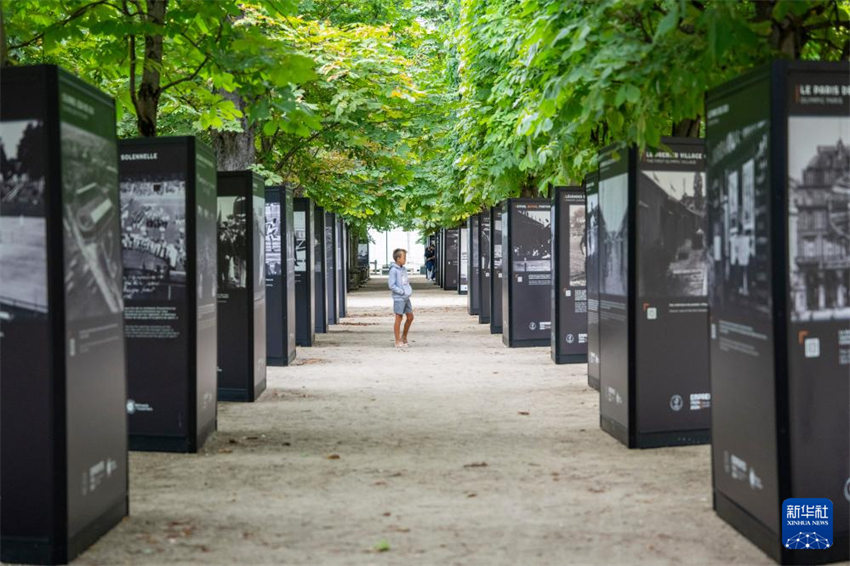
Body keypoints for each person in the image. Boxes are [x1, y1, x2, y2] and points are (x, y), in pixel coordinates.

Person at [388, 248, 414, 349]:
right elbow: (391, 285)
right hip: (399, 298)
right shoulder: (393, 270)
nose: (405, 259)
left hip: (406, 297)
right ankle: (397, 341)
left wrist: (408, 290)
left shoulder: (403, 269)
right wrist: (401, 292)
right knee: (398, 318)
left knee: (410, 317)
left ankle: (404, 337)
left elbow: (406, 282)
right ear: (398, 258)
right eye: (404, 257)